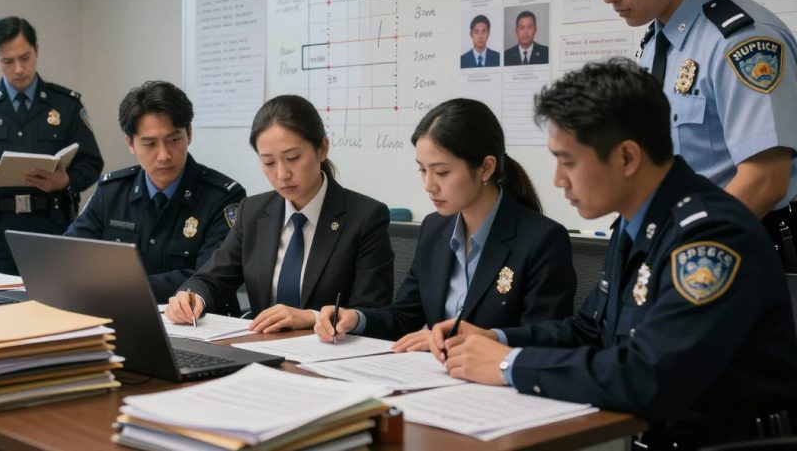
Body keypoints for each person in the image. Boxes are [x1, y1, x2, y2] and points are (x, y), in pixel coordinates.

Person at [433, 59, 797, 449]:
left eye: (568, 161)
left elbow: (650, 377)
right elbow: (589, 330)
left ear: (627, 157)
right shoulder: (635, 221)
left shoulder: (711, 236)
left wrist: (508, 365)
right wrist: (496, 336)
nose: (557, 180)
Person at [571, 0, 797, 269]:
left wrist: (682, 253)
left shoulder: (742, 42)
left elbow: (764, 179)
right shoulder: (658, 41)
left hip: (736, 249)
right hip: (675, 248)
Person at [313, 99, 575, 349]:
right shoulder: (434, 229)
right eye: (422, 170)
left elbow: (546, 338)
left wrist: (454, 342)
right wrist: (357, 319)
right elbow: (405, 316)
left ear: (485, 168)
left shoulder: (542, 239)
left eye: (442, 172)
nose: (428, 185)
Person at [166, 95, 394, 332]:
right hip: (263, 349)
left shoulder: (365, 217)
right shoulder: (253, 212)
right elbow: (212, 278)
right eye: (269, 162)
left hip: (333, 354)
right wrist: (191, 297)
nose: (282, 174)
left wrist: (313, 318)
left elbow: (375, 313)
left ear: (322, 148)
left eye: (293, 158)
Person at [0, 17, 103, 275]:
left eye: (25, 58)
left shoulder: (66, 105)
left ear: (36, 50)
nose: (18, 69)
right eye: (8, 61)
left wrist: (65, 181)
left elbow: (91, 163)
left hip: (52, 229)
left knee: (56, 310)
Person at [65, 81, 245, 309]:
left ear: (189, 134)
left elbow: (209, 277)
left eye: (173, 140)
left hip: (194, 328)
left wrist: (119, 287)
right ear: (130, 143)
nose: (164, 155)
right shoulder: (112, 192)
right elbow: (70, 253)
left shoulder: (223, 197)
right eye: (149, 144)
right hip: (120, 317)